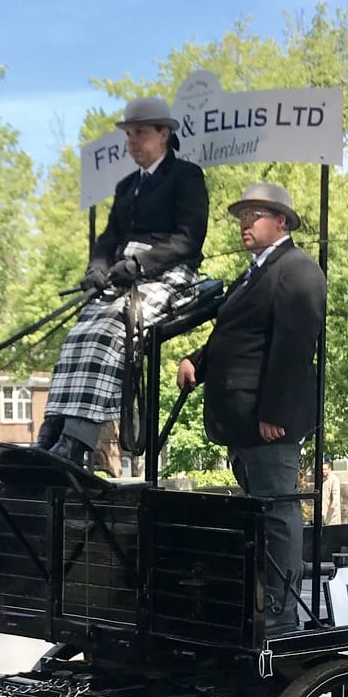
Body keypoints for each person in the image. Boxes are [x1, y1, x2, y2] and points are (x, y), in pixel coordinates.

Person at [176, 182, 325, 634]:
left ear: (281, 222)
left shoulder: (297, 269)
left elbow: (293, 347)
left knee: (278, 512)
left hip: (268, 423)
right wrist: (196, 361)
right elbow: (236, 336)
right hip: (241, 422)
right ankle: (264, 600)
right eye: (241, 216)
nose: (244, 223)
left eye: (254, 215)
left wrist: (275, 413)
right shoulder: (254, 274)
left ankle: (283, 610)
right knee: (260, 511)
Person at [38, 96, 209, 468]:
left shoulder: (186, 176)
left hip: (170, 271)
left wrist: (140, 263)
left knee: (112, 329)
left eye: (141, 133)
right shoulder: (127, 184)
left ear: (164, 134)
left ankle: (77, 441)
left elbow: (189, 238)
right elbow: (108, 238)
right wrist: (96, 268)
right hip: (124, 275)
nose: (133, 142)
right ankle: (51, 431)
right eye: (129, 135)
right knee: (79, 332)